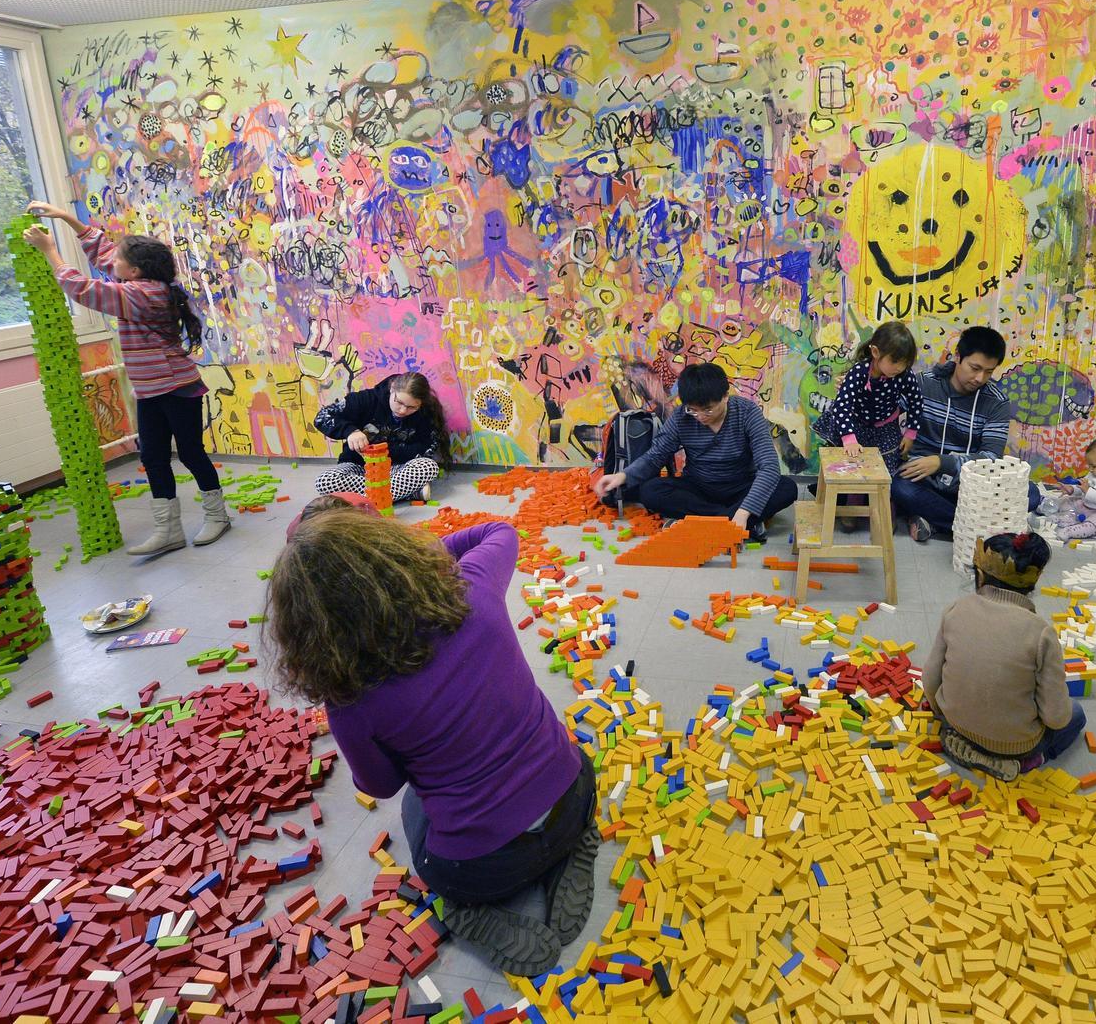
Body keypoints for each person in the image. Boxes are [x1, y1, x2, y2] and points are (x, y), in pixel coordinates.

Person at [267, 512, 598, 976]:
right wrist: (402, 564)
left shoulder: (350, 702)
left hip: (483, 868)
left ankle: (472, 910)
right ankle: (569, 846)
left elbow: (381, 786)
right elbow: (500, 531)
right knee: (563, 748)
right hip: (574, 795)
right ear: (393, 552)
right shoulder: (474, 588)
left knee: (414, 809)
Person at [20, 202, 228, 555]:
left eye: (119, 261)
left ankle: (217, 515)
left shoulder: (145, 295)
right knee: (154, 457)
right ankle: (169, 529)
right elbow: (103, 253)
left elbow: (84, 290)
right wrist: (65, 217)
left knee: (191, 453)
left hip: (178, 388)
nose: (111, 263)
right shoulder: (140, 282)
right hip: (150, 391)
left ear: (133, 271)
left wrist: (50, 251)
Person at [920, 531, 1087, 782]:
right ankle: (1030, 760)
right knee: (1076, 714)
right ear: (1033, 583)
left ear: (979, 575)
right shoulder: (1042, 633)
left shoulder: (955, 610)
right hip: (1015, 744)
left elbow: (930, 679)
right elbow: (1056, 716)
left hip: (954, 722)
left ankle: (966, 743)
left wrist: (940, 711)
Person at [596, 363, 797, 543]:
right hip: (699, 488)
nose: (700, 416)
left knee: (787, 488)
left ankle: (716, 521)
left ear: (725, 397)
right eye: (693, 410)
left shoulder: (747, 412)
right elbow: (656, 455)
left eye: (708, 410)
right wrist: (622, 475)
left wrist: (744, 512)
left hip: (741, 487)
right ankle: (735, 522)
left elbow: (769, 466)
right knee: (650, 490)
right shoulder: (682, 416)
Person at [893, 326, 1041, 542]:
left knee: (1030, 493)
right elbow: (884, 412)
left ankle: (938, 522)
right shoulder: (922, 383)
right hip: (922, 475)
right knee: (900, 487)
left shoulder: (996, 402)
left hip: (970, 482)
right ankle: (987, 531)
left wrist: (941, 462)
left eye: (989, 372)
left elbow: (991, 458)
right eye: (975, 368)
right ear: (958, 357)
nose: (980, 378)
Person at [812, 321, 922, 530]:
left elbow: (916, 402)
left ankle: (885, 505)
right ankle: (853, 504)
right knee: (856, 466)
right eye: (895, 361)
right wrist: (849, 438)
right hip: (857, 426)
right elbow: (842, 405)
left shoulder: (904, 376)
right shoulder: (859, 372)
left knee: (886, 471)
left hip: (886, 428)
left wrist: (910, 433)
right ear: (875, 352)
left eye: (905, 363)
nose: (899, 368)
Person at [312, 372, 447, 502]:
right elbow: (322, 417)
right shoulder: (365, 399)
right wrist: (350, 431)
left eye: (412, 407)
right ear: (392, 388)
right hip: (359, 467)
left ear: (421, 403)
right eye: (399, 402)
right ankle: (407, 493)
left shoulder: (426, 412)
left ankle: (367, 496)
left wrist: (388, 452)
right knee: (325, 482)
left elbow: (426, 448)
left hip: (396, 469)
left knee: (428, 467)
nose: (403, 410)